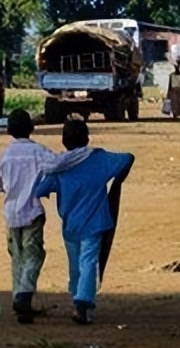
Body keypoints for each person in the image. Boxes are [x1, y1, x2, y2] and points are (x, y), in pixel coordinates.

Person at [33, 118, 135, 325]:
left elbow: (40, 190)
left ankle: (77, 297)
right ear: (87, 138)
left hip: (70, 225)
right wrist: (117, 181)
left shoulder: (59, 166)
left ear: (64, 141)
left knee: (75, 263)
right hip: (94, 223)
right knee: (89, 261)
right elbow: (128, 158)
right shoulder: (99, 159)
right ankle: (83, 302)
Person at [0, 109, 57, 324]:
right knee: (34, 254)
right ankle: (24, 293)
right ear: (31, 128)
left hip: (11, 213)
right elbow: (56, 166)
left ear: (9, 130)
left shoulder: (5, 155)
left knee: (17, 256)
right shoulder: (39, 151)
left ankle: (19, 299)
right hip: (32, 210)